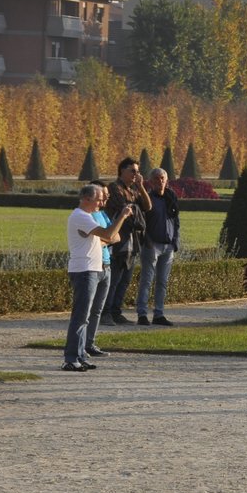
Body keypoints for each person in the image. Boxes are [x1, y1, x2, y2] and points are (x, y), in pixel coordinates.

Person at [64, 184, 135, 372]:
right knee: (80, 316)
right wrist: (122, 216)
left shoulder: (86, 217)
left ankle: (79, 355)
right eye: (98, 199)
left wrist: (108, 233)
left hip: (92, 269)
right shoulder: (80, 216)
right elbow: (109, 234)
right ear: (86, 199)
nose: (101, 203)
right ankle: (71, 358)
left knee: (85, 317)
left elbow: (113, 238)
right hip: (84, 271)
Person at [101, 158, 151, 325]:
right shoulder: (114, 188)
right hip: (118, 240)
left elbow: (147, 206)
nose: (136, 174)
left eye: (137, 171)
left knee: (125, 280)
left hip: (132, 242)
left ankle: (116, 312)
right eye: (132, 171)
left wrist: (141, 187)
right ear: (122, 170)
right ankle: (105, 312)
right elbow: (127, 210)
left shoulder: (133, 190)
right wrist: (135, 211)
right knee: (114, 280)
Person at [136, 168, 179, 326]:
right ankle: (142, 314)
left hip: (168, 245)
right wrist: (146, 241)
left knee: (162, 282)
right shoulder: (147, 198)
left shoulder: (171, 197)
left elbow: (176, 221)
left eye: (162, 178)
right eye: (156, 179)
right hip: (151, 245)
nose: (159, 181)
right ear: (151, 181)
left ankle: (158, 314)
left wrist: (175, 242)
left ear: (166, 181)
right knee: (147, 281)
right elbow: (141, 223)